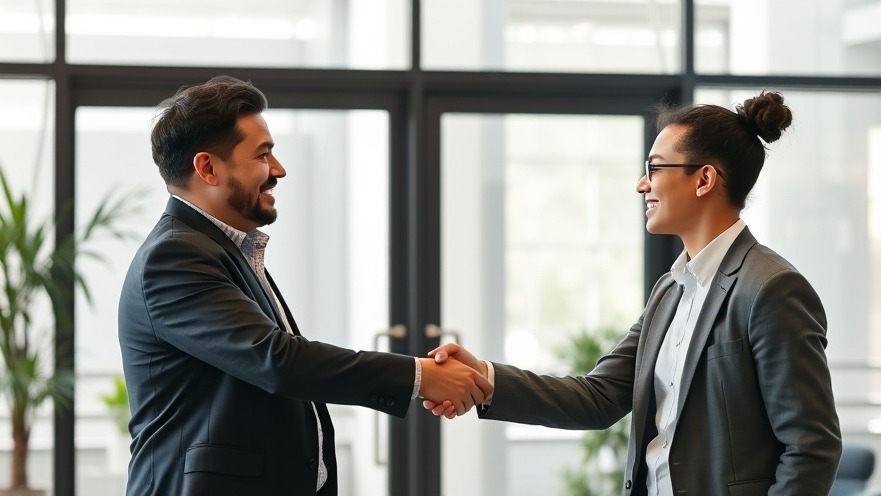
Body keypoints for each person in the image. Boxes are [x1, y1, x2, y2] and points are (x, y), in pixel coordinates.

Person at [425, 91, 842, 495]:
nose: (642, 184)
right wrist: (484, 376)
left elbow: (811, 448)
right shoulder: (671, 290)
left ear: (704, 179)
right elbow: (598, 397)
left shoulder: (771, 288)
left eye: (656, 168)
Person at [117, 75, 492, 496]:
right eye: (263, 155)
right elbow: (276, 361)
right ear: (207, 167)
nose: (279, 170)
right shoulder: (174, 258)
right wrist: (419, 375)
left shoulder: (222, 250)